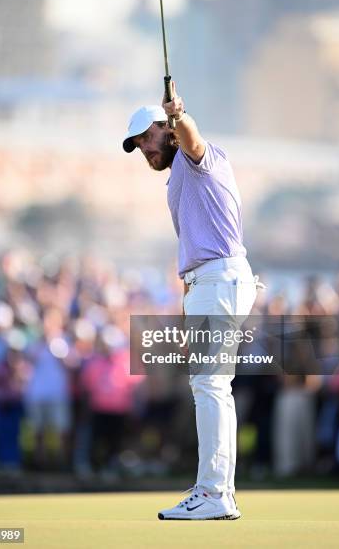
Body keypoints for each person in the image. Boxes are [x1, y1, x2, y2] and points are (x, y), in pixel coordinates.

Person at [122, 82, 259, 520]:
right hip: (207, 284)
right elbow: (190, 251)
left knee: (211, 385)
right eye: (139, 143)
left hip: (221, 279)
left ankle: (215, 492)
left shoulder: (201, 159)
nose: (145, 148)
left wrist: (179, 115)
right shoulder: (175, 182)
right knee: (209, 385)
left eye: (148, 136)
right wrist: (186, 315)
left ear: (167, 129)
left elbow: (194, 139)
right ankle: (216, 490)